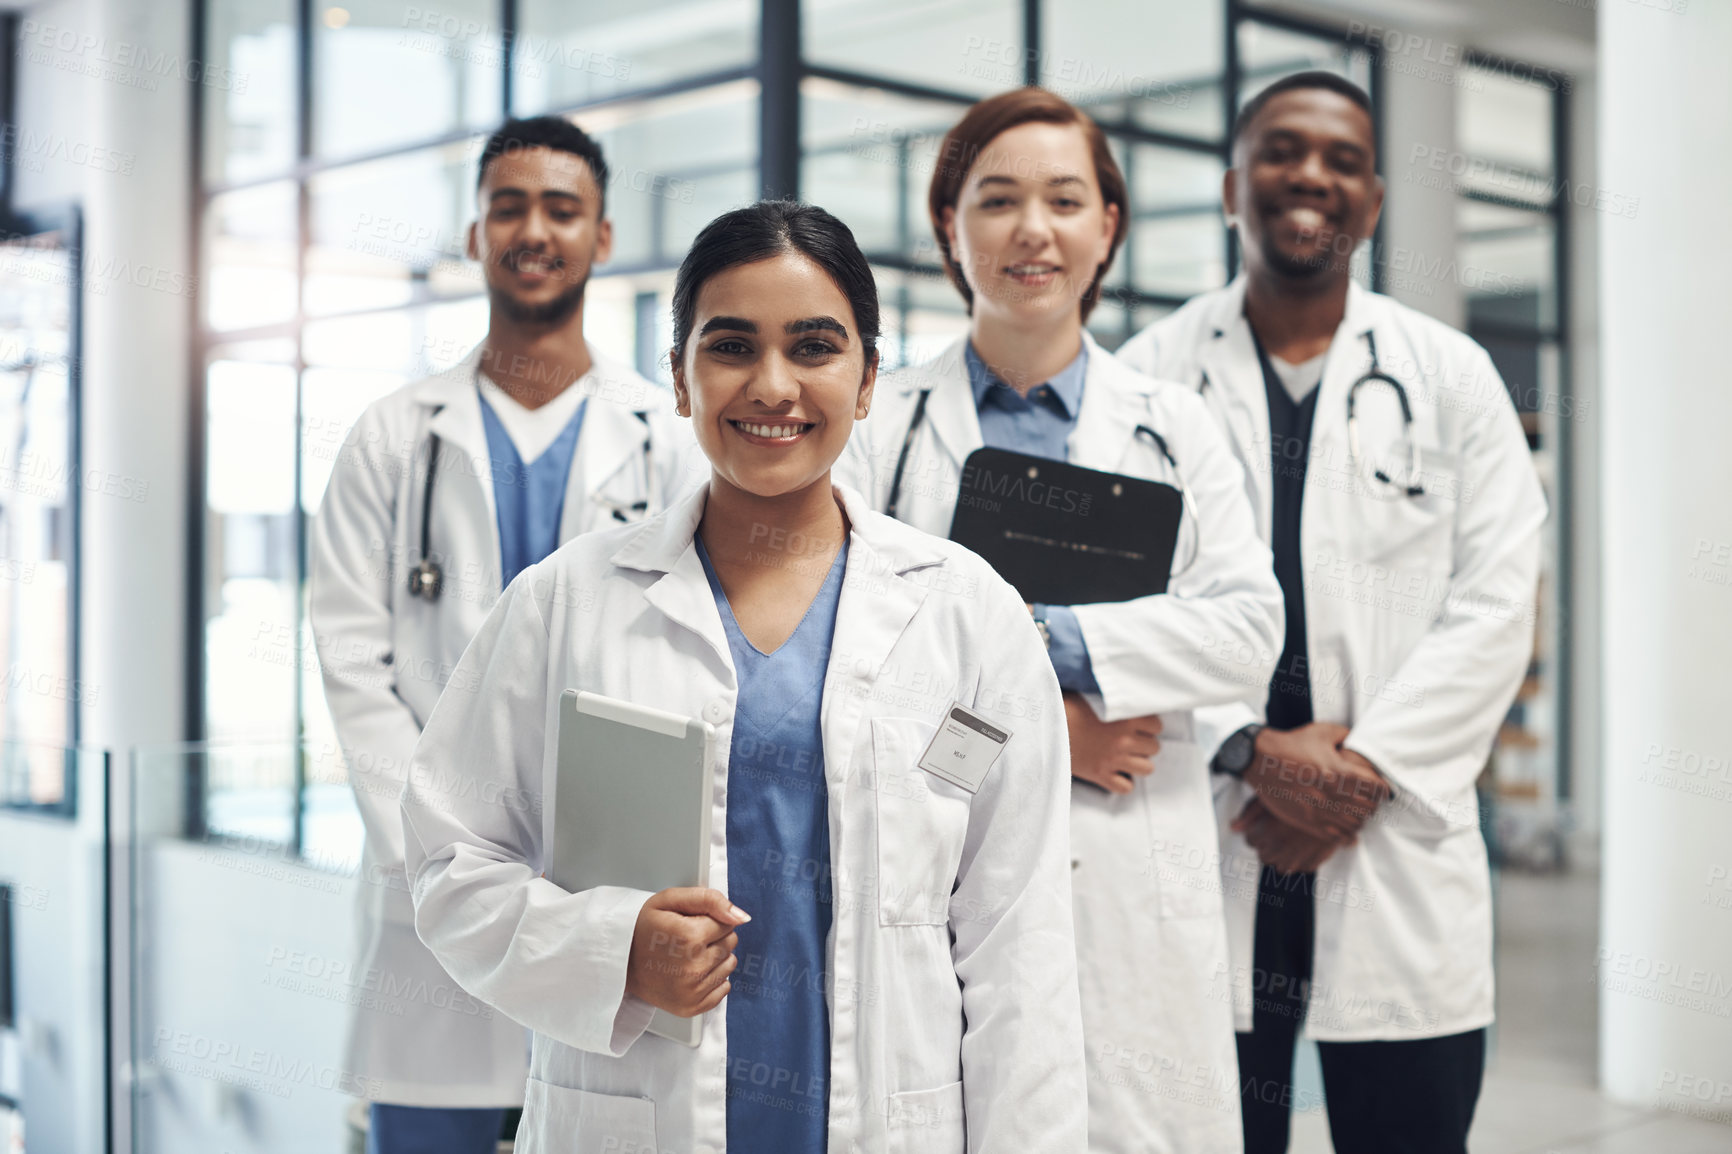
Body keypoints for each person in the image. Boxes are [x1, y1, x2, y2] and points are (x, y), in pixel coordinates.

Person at [398, 200, 1088, 1152]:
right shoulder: (564, 603)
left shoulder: (969, 613)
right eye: (731, 347)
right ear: (681, 379)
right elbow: (448, 863)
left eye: (815, 347)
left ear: (869, 376)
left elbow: (1022, 945)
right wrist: (611, 951)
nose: (774, 386)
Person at [837, 87, 1283, 1154]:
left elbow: (1246, 628)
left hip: (1134, 867)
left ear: (1106, 228)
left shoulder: (1176, 427)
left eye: (1063, 199)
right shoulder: (879, 425)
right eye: (995, 199)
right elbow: (852, 666)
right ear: (950, 226)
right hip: (941, 847)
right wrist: (1043, 735)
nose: (1030, 228)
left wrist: (1047, 643)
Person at [1116, 71, 1547, 1154]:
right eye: (1280, 150)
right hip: (1210, 816)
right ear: (1230, 186)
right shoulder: (1148, 380)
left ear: (1372, 201)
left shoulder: (1449, 375)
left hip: (1389, 828)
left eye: (1341, 159)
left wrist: (1357, 771)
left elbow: (1500, 594)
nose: (1310, 175)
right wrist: (1248, 749)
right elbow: (1117, 610)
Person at [309, 115, 697, 1152]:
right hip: (426, 908)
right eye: (509, 207)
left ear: (602, 236)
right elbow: (353, 661)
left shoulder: (671, 441)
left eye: (561, 209)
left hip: (604, 894)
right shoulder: (393, 439)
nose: (535, 230)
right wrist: (438, 854)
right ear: (475, 234)